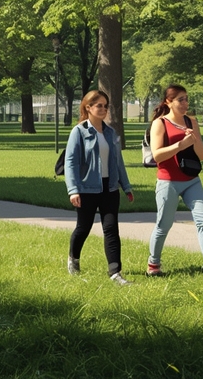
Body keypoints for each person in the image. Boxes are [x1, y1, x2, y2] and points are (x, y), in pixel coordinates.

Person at [147, 84, 203, 281]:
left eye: (187, 99)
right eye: (181, 99)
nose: (185, 103)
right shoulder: (160, 123)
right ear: (168, 102)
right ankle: (153, 264)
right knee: (164, 224)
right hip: (168, 181)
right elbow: (157, 155)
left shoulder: (191, 122)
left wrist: (194, 139)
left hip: (192, 181)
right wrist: (180, 145)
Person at [64, 89, 135, 285]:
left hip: (109, 188)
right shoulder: (79, 131)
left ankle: (115, 272)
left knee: (111, 229)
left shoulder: (111, 132)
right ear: (88, 108)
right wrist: (73, 190)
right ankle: (73, 259)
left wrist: (126, 186)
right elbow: (71, 163)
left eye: (105, 106)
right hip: (86, 188)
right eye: (99, 106)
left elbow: (118, 162)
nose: (103, 109)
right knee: (83, 228)